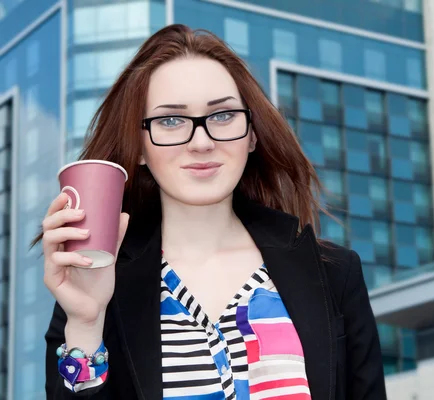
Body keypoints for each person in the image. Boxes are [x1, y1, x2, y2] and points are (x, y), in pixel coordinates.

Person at [40, 24, 386, 399]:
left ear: (252, 133)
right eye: (170, 121)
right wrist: (87, 324)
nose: (201, 142)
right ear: (139, 146)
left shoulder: (335, 274)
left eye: (222, 116)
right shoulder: (95, 285)